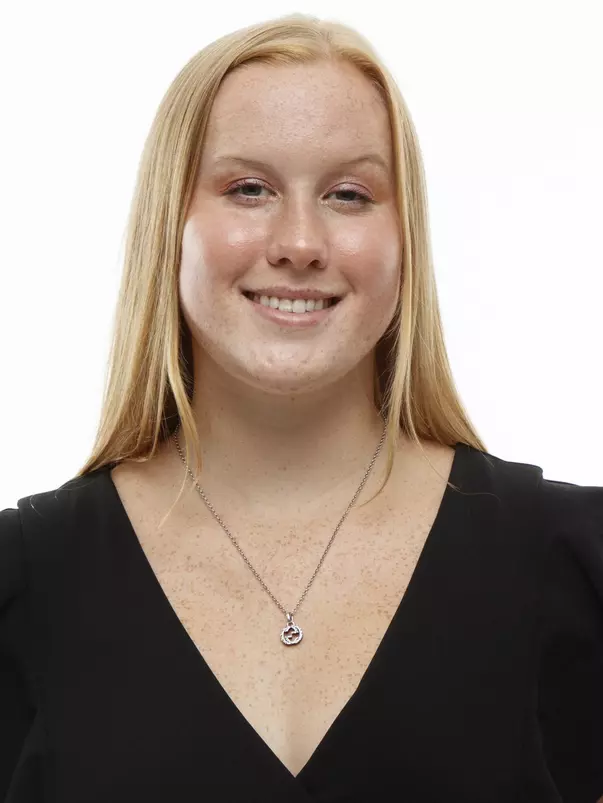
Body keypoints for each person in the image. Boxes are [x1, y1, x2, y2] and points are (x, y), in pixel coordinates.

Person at [1, 12, 602, 803]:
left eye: (349, 194)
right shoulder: (22, 583)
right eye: (248, 189)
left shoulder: (579, 564)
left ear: (404, 239)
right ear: (169, 224)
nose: (299, 241)